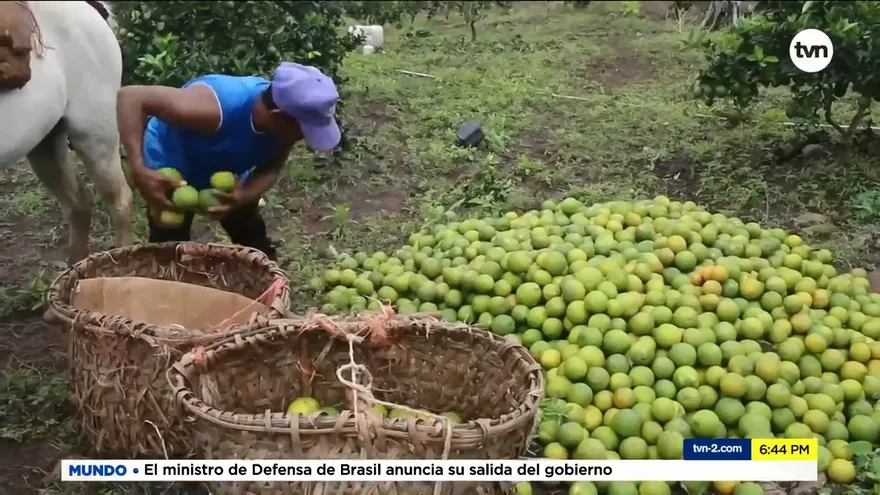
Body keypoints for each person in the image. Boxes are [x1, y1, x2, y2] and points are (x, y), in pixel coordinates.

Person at [116, 62, 341, 261]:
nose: (304, 137)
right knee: (170, 231)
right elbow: (131, 97)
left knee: (244, 219)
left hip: (224, 160)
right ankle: (168, 282)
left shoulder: (285, 125)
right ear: (277, 117)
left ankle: (266, 272)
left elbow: (272, 166)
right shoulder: (213, 109)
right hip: (173, 156)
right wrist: (138, 167)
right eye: (304, 130)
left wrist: (242, 197)